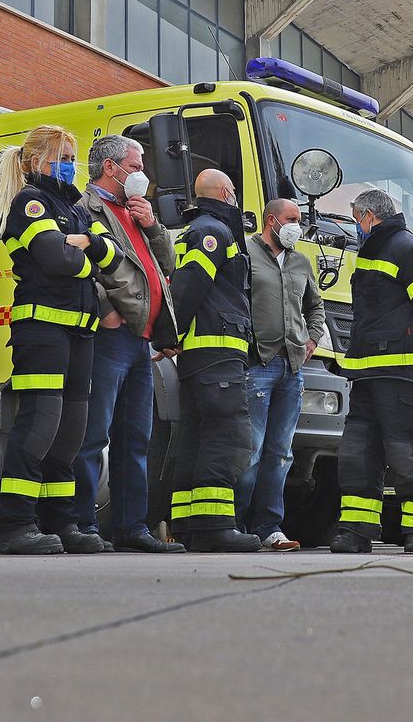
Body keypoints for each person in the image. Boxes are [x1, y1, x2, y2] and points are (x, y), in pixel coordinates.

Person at [0, 125, 118, 555]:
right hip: (41, 329)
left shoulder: (76, 208)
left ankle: (60, 523)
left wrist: (90, 248)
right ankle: (14, 524)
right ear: (34, 161)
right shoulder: (29, 202)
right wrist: (92, 255)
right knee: (39, 426)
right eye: (60, 156)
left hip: (81, 330)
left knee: (70, 434)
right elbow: (56, 258)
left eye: (71, 156)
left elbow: (114, 257)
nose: (68, 164)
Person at [73, 134, 185, 553]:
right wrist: (105, 308)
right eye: (137, 167)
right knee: (94, 433)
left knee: (135, 437)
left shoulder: (134, 212)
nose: (143, 175)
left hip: (141, 341)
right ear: (111, 168)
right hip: (111, 337)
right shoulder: (85, 208)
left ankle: (130, 527)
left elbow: (166, 265)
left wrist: (153, 226)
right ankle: (82, 524)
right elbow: (81, 261)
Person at [330, 189, 413, 555]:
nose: (354, 226)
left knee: (409, 454)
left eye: (355, 218)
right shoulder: (373, 251)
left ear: (370, 216)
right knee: (358, 455)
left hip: (405, 374)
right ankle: (355, 530)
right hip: (367, 375)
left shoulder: (408, 248)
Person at [166, 168, 261, 552]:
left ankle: (188, 525)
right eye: (235, 192)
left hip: (202, 354)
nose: (236, 197)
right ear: (225, 193)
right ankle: (215, 525)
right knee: (228, 434)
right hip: (215, 350)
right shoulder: (214, 231)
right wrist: (169, 335)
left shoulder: (206, 229)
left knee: (196, 437)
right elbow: (189, 287)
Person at [240, 198, 327, 551]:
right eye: (292, 219)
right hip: (257, 364)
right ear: (272, 220)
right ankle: (238, 525)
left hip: (292, 368)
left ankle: (269, 526)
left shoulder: (301, 261)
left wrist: (313, 337)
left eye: (300, 219)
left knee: (281, 452)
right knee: (251, 449)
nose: (298, 225)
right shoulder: (245, 253)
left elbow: (315, 305)